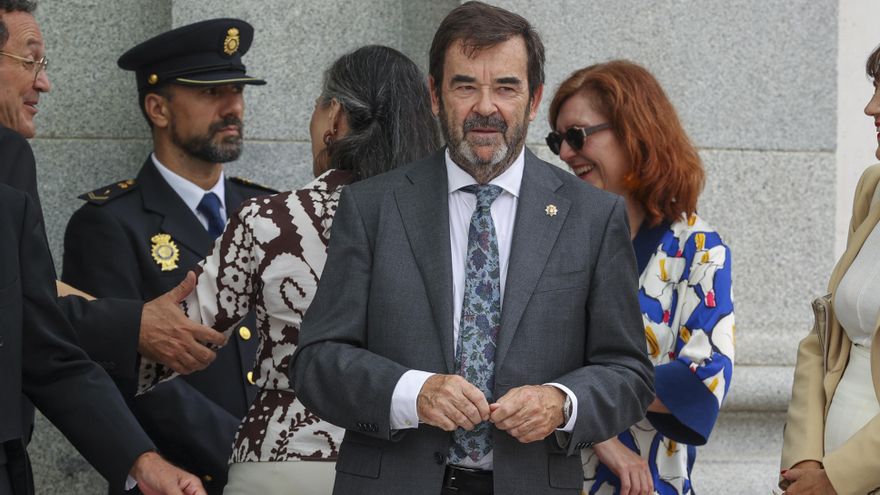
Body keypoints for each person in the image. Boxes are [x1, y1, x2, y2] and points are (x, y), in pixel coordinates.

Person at [290, 3, 655, 494]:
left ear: (533, 99)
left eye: (506, 87)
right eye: (466, 86)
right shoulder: (372, 206)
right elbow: (316, 361)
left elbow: (628, 373)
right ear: (435, 97)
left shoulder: (592, 217)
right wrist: (411, 393)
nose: (487, 106)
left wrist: (562, 402)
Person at [137, 44, 441, 495]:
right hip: (410, 466)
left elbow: (172, 340)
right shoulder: (447, 224)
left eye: (318, 107)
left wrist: (80, 321)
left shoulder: (270, 220)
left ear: (335, 118)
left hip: (282, 462)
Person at [61, 18, 276, 495]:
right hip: (184, 481)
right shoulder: (108, 224)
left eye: (238, 89)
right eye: (211, 92)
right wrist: (251, 453)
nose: (233, 106)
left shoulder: (271, 211)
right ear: (157, 107)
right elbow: (115, 371)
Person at [0, 2, 206, 494]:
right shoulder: (107, 219)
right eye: (32, 62)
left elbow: (39, 336)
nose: (43, 83)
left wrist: (142, 463)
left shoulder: (9, 171)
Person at [546, 61, 735, 495]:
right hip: (547, 477)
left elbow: (702, 379)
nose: (564, 154)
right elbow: (513, 356)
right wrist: (601, 434)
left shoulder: (698, 248)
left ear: (635, 132)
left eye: (577, 136)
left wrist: (577, 393)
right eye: (557, 140)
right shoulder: (553, 238)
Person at [779, 45, 880, 495]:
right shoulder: (873, 188)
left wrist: (839, 478)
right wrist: (805, 461)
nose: (870, 107)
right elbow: (824, 336)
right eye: (874, 88)